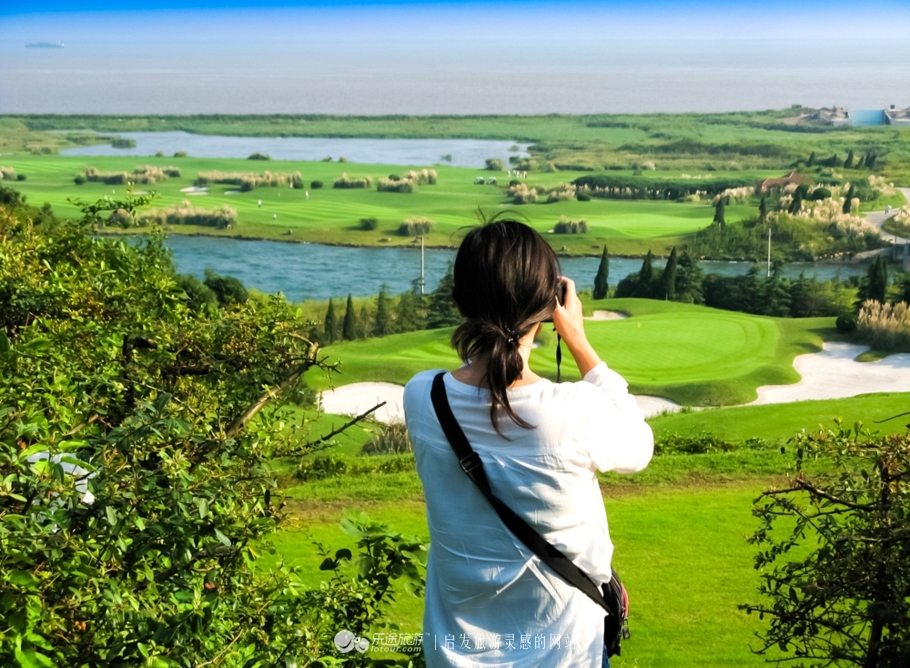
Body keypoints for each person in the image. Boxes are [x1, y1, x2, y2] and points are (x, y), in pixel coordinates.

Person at [403, 219, 653, 667]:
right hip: (566, 656)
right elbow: (639, 446)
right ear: (550, 304)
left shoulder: (423, 396)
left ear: (461, 302)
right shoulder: (575, 410)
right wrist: (578, 339)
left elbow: (483, 383)